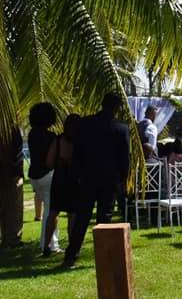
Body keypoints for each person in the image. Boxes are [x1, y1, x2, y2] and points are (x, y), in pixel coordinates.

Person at [61, 93, 130, 269]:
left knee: (82, 218)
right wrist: (123, 178)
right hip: (109, 180)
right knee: (104, 218)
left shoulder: (85, 124)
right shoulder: (121, 129)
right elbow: (124, 159)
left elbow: (77, 152)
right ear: (117, 108)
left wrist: (76, 174)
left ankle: (71, 256)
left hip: (87, 178)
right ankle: (104, 257)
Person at [44, 114, 81, 253]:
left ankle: (46, 246)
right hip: (73, 181)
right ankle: (72, 247)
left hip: (59, 180)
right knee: (72, 216)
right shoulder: (79, 142)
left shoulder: (58, 140)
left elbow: (48, 162)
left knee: (53, 214)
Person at [27, 103, 60, 257]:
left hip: (34, 176)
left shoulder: (32, 134)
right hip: (47, 175)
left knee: (48, 210)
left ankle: (50, 243)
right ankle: (48, 244)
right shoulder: (51, 137)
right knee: (51, 211)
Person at [0, 126, 24, 250]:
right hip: (12, 173)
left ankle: (10, 237)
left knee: (9, 207)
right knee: (13, 207)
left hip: (11, 172)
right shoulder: (12, 128)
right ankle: (12, 238)